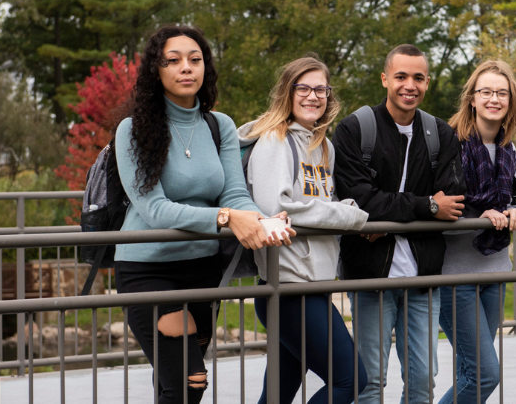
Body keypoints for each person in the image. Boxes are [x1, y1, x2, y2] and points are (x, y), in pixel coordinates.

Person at [113, 25, 291, 404]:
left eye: (195, 60)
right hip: (150, 270)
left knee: (172, 385)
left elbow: (234, 192)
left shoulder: (219, 125)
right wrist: (226, 219)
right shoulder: (132, 130)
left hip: (204, 269)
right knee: (190, 382)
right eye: (173, 61)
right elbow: (154, 209)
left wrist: (262, 220)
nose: (186, 68)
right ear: (155, 71)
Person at [332, 44, 466, 404]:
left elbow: (451, 202)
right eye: (401, 76)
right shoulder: (355, 129)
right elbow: (361, 201)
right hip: (370, 275)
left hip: (423, 278)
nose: (410, 85)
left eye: (418, 78)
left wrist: (388, 218)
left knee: (423, 381)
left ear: (427, 82)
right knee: (369, 382)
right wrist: (426, 206)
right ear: (384, 79)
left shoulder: (440, 133)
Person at [239, 55, 371, 404]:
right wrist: (350, 216)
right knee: (352, 380)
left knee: (277, 397)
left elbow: (316, 204)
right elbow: (274, 209)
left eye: (321, 89)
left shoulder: (323, 145)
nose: (313, 96)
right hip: (289, 288)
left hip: (315, 283)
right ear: (287, 92)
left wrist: (339, 210)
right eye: (304, 88)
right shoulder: (273, 140)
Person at [439, 60, 516, 403]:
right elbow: (440, 205)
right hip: (455, 276)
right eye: (486, 91)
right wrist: (479, 211)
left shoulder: (508, 149)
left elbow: (511, 198)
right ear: (472, 99)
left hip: (495, 271)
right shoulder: (449, 145)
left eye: (501, 93)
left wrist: (515, 210)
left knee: (470, 371)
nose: (494, 98)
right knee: (485, 374)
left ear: (510, 101)